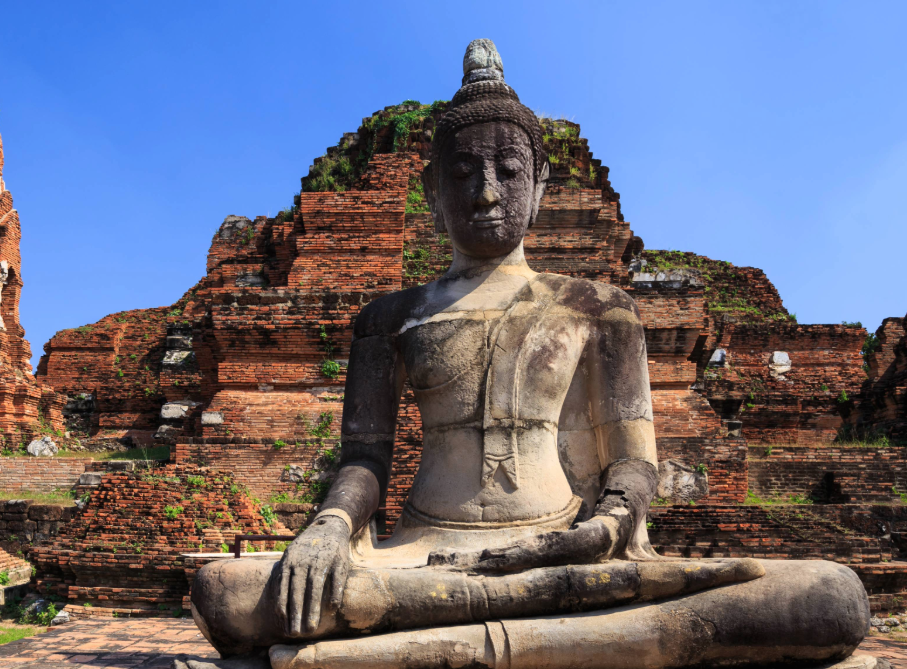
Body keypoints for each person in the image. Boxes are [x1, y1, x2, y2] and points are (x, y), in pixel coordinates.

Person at [179, 39, 871, 669]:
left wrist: (603, 526)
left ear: (539, 183)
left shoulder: (598, 308)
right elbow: (364, 461)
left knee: (827, 594)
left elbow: (633, 462)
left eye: (507, 171)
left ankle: (413, 647)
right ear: (430, 190)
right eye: (463, 172)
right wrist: (329, 529)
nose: (485, 192)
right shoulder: (387, 319)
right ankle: (569, 643)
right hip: (422, 555)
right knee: (224, 590)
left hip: (569, 549)